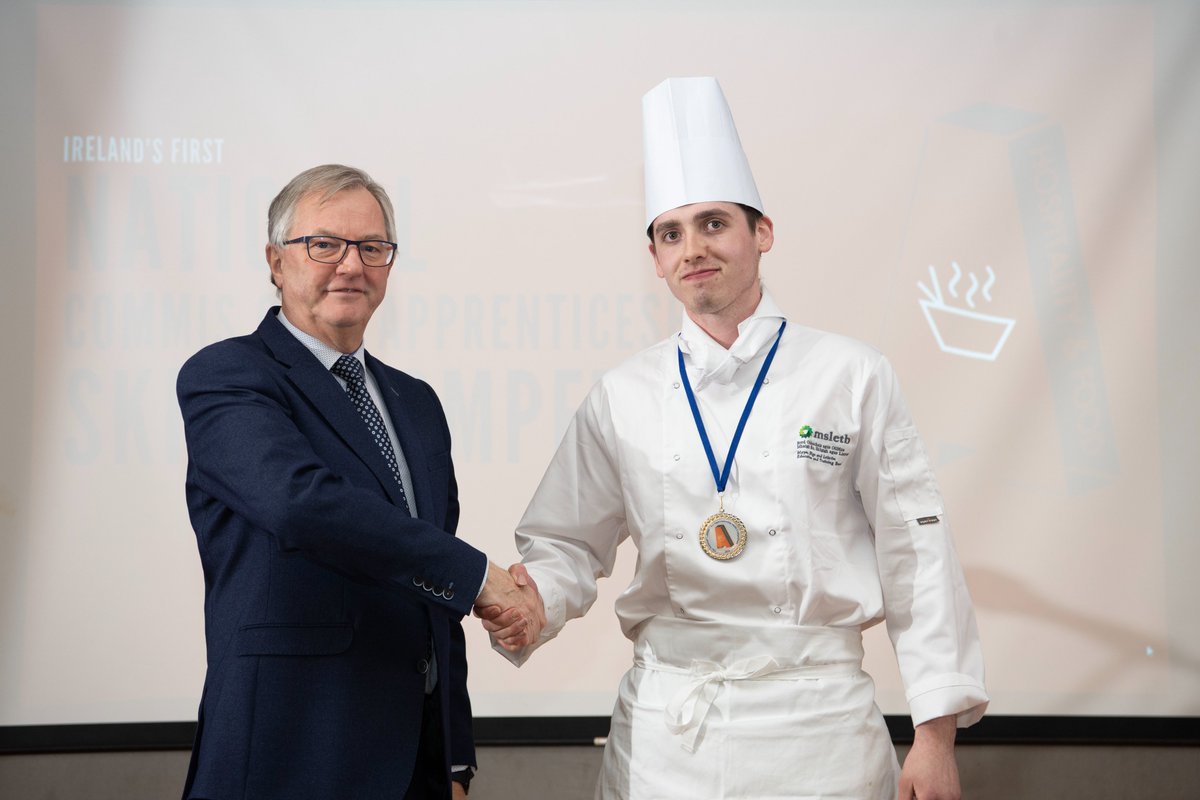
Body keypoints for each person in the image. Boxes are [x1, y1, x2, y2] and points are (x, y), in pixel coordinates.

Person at [483, 79, 988, 799]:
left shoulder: (850, 375)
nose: (694, 248)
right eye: (671, 233)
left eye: (714, 223)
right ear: (655, 259)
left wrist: (935, 736)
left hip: (821, 731)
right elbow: (565, 541)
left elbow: (918, 554)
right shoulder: (622, 395)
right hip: (666, 737)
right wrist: (535, 604)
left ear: (763, 233)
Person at [176, 164, 542, 800]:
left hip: (413, 764)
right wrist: (483, 579)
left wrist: (453, 759)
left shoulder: (415, 401)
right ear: (275, 260)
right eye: (324, 244)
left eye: (372, 247)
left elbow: (428, 585)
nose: (350, 265)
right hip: (288, 754)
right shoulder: (228, 375)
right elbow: (300, 504)